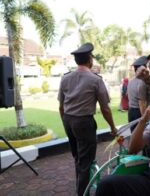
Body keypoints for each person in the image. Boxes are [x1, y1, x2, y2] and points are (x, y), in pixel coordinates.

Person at [57, 43, 117, 196]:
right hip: (84, 122)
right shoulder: (95, 80)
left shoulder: (65, 78)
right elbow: (105, 108)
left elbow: (61, 107)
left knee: (78, 157)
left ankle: (81, 188)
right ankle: (82, 193)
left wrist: (67, 122)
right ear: (90, 59)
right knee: (85, 162)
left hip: (68, 120)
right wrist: (112, 127)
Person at [127, 56, 149, 130]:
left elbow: (128, 95)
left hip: (131, 111)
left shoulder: (131, 81)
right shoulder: (142, 82)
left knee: (134, 134)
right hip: (139, 112)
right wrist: (145, 120)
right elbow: (142, 104)